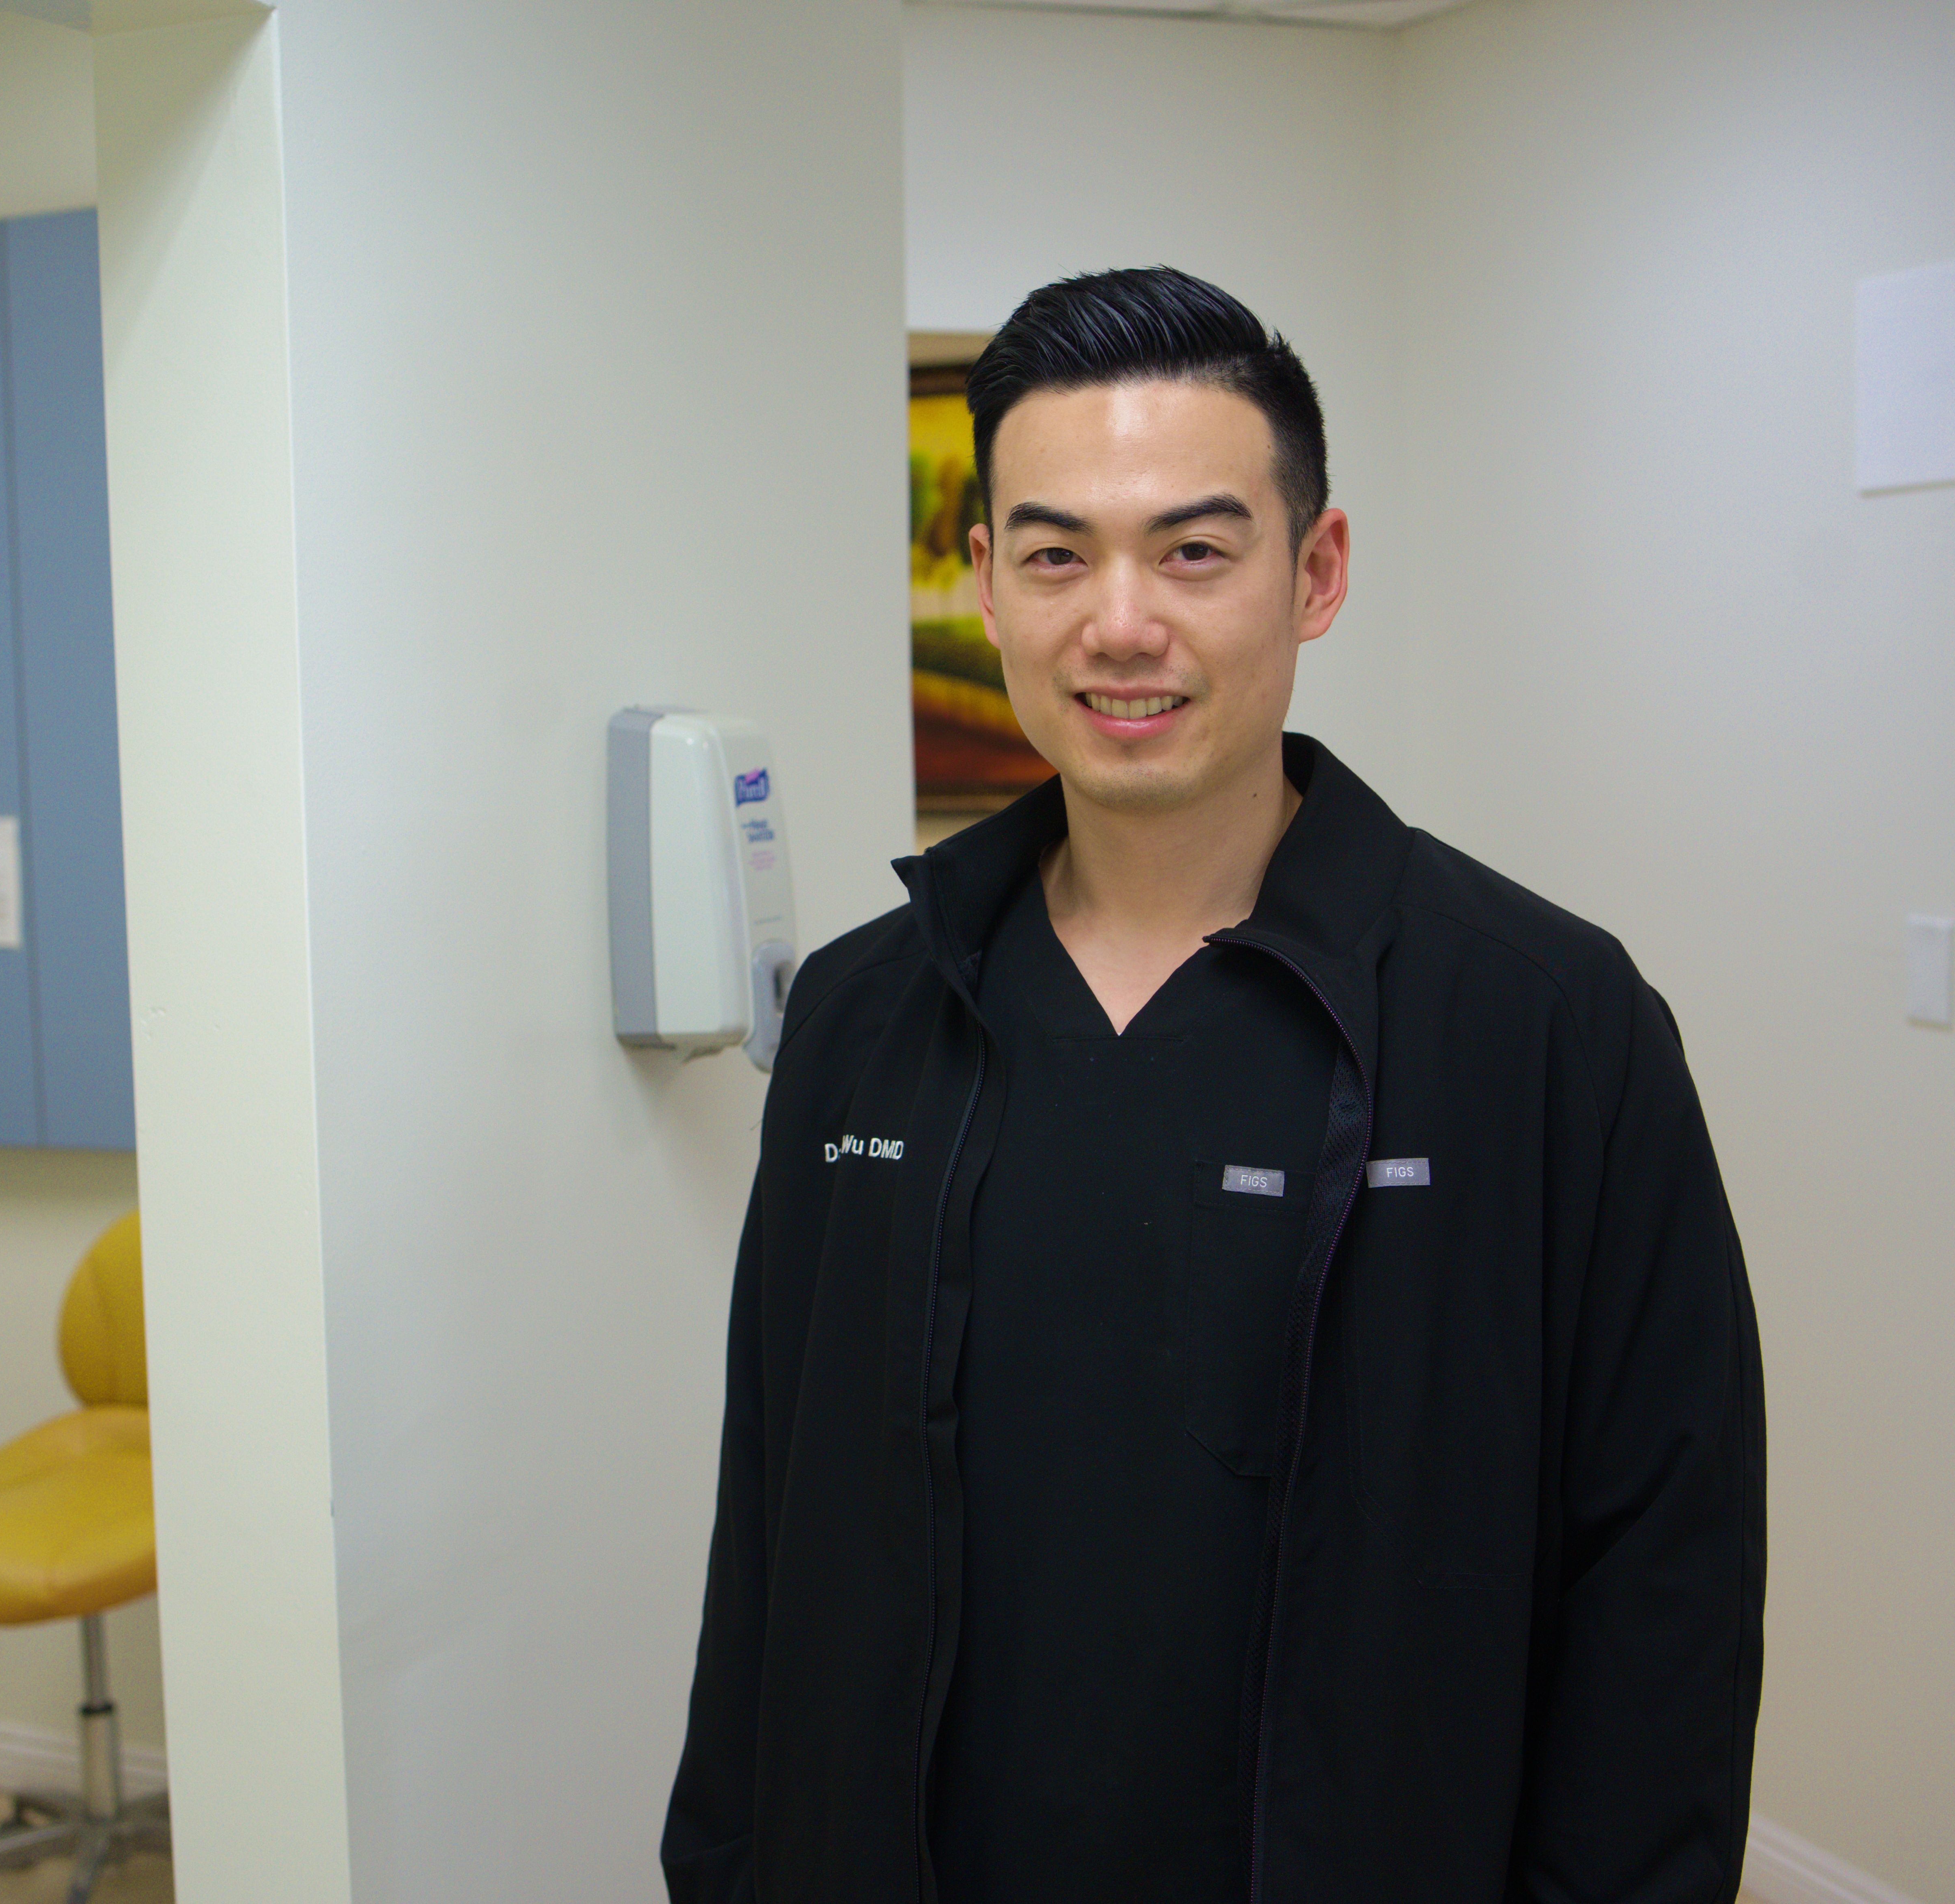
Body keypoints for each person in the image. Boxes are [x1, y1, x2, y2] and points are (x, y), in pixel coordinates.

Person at [662, 267, 1763, 1903]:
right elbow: (774, 1528)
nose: (1121, 624)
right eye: (1055, 555)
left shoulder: (1546, 1029)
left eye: (1194, 550)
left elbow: (1663, 1587)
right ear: (983, 585)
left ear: (1314, 573)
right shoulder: (862, 1018)